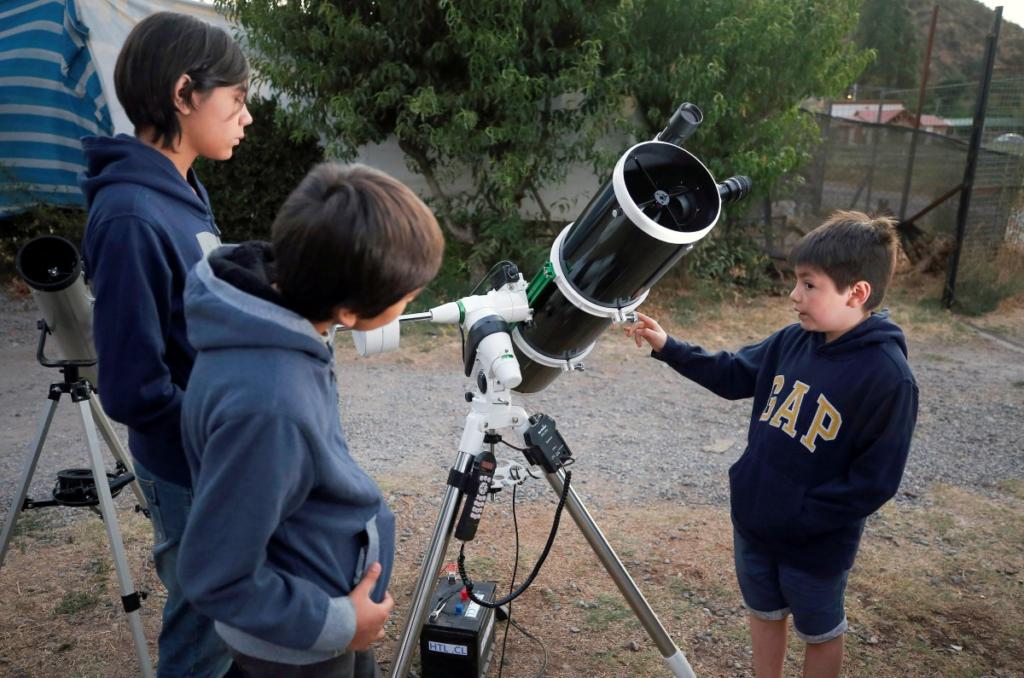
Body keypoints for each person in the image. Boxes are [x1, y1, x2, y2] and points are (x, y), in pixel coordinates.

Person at [175, 162, 445, 677]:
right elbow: (217, 575)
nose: (412, 303)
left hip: (314, 609)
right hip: (299, 649)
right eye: (406, 297)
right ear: (347, 311)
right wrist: (341, 624)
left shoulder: (269, 321)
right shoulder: (270, 405)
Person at [626, 210, 918, 678]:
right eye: (796, 282)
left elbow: (875, 482)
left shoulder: (888, 378)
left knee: (820, 631)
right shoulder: (792, 341)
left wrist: (804, 515)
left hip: (815, 545)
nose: (793, 295)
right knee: (763, 612)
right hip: (756, 520)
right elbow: (732, 373)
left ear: (856, 292)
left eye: (809, 285)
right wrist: (669, 347)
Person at [80, 12, 252, 677]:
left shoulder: (178, 190)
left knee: (229, 602)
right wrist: (225, 430)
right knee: (202, 622)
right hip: (188, 465)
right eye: (235, 101)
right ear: (184, 95)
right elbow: (131, 386)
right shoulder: (129, 215)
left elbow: (199, 292)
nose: (246, 118)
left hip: (215, 451)